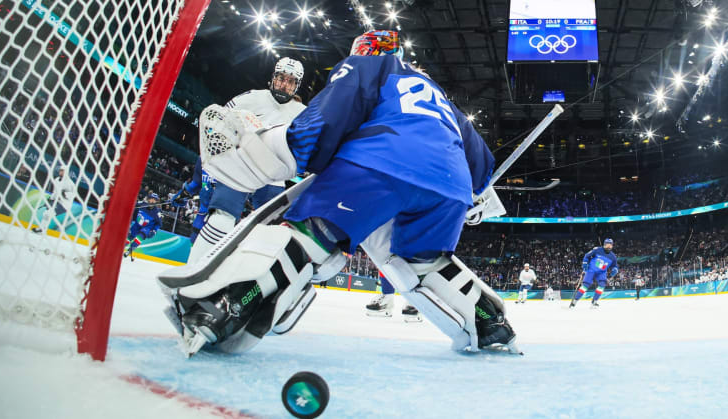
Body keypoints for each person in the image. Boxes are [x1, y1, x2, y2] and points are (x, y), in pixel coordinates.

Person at [163, 29, 519, 356]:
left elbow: (329, 115)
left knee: (310, 233)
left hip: (382, 162)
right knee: (420, 263)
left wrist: (285, 151)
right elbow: (481, 161)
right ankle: (491, 323)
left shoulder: (371, 65)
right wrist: (474, 197)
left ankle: (224, 307)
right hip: (449, 188)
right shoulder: (439, 96)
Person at [187, 57, 306, 264]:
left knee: (268, 232)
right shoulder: (251, 98)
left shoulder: (303, 114)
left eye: (290, 81)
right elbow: (219, 120)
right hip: (239, 168)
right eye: (280, 78)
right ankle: (192, 270)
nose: (283, 84)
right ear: (273, 78)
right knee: (222, 219)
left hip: (273, 178)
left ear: (297, 86)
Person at [570, 238, 618, 308]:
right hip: (591, 270)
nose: (609, 246)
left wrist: (615, 269)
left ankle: (594, 302)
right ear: (604, 245)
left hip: (602, 272)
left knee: (602, 285)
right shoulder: (597, 250)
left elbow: (615, 266)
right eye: (607, 244)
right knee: (585, 286)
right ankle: (575, 301)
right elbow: (587, 256)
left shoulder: (613, 256)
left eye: (610, 245)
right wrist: (585, 263)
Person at [176, 157, 215, 244]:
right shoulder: (203, 158)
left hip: (218, 216)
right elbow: (196, 183)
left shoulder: (231, 161)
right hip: (202, 212)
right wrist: (181, 195)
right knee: (194, 239)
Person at [32, 166, 76, 234]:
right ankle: (42, 229)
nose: (61, 172)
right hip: (57, 202)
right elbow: (55, 192)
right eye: (60, 170)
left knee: (48, 213)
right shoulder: (56, 179)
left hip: (65, 204)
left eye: (63, 170)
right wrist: (50, 199)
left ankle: (42, 229)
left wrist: (64, 195)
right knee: (46, 213)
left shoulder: (70, 183)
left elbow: (73, 194)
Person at [123, 193, 162, 259]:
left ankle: (131, 249)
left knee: (140, 236)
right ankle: (122, 247)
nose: (152, 201)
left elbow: (159, 224)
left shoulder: (157, 213)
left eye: (154, 200)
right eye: (151, 199)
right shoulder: (142, 204)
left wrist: (154, 231)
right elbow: (133, 206)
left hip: (147, 227)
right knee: (130, 237)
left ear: (156, 201)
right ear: (148, 199)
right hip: (137, 225)